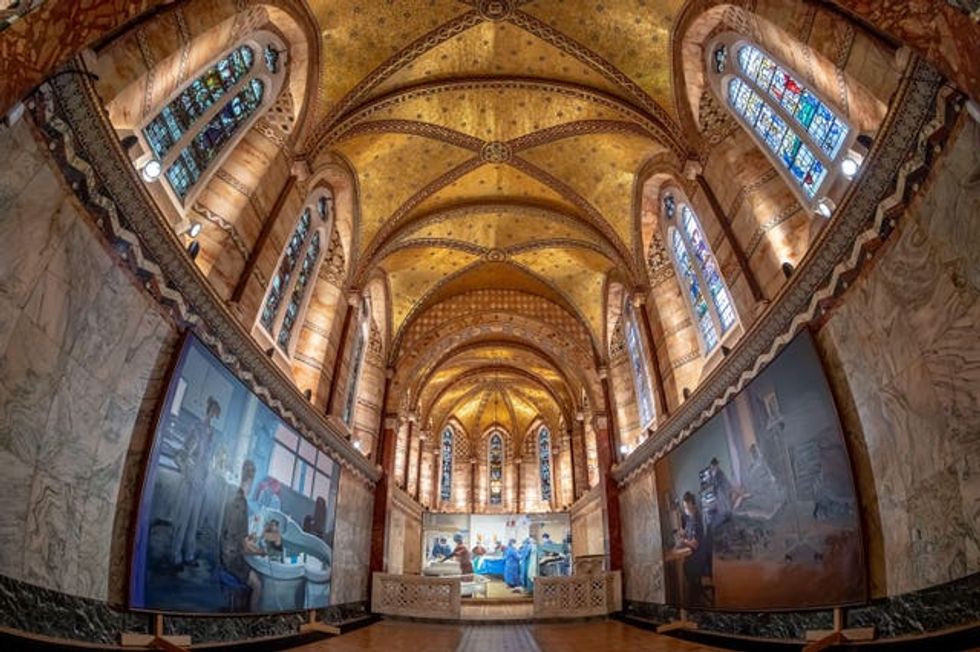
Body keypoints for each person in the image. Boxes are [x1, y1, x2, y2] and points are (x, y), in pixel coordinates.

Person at [172, 396, 220, 567]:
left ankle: (189, 555)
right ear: (208, 412)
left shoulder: (211, 435)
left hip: (201, 481)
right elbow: (182, 453)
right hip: (191, 478)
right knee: (183, 519)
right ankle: (176, 556)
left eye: (215, 416)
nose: (212, 418)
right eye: (212, 414)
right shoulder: (196, 428)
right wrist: (187, 473)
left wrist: (208, 475)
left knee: (194, 520)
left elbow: (208, 459)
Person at [219, 459, 264, 611]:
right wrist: (262, 552)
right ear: (250, 480)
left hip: (227, 551)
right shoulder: (241, 503)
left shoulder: (235, 496)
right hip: (231, 558)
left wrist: (251, 539)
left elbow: (238, 534)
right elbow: (243, 546)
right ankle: (251, 621)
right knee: (258, 584)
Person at [678, 491, 712, 606]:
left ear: (693, 505)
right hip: (696, 554)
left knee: (685, 566)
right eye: (684, 507)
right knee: (685, 565)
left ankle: (694, 599)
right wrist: (683, 534)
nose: (685, 509)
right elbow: (688, 534)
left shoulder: (697, 520)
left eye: (687, 506)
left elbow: (695, 544)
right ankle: (695, 591)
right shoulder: (689, 519)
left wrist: (684, 541)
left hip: (699, 557)